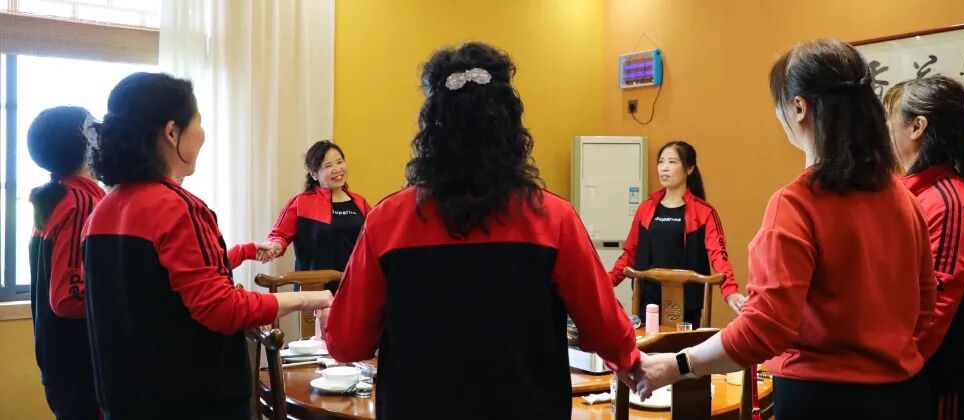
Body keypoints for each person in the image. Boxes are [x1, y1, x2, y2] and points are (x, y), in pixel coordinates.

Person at [324, 42, 639, 419]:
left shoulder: (386, 221)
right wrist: (630, 360)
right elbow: (609, 334)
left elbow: (346, 343)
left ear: (432, 130)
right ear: (510, 127)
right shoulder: (554, 219)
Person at [633, 39, 935, 420]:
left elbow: (763, 330)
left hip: (823, 401)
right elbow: (925, 310)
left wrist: (676, 364)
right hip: (905, 396)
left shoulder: (796, 204)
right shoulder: (905, 199)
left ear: (798, 107)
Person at [82, 72, 332, 419]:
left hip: (125, 398)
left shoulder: (103, 210)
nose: (202, 133)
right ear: (172, 132)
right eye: (198, 121)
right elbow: (221, 308)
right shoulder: (176, 207)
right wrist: (311, 298)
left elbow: (161, 286)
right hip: (192, 400)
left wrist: (244, 253)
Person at [885, 75, 964, 420]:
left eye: (888, 119)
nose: (882, 129)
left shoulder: (951, 205)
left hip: (944, 384)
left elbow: (931, 313)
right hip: (910, 376)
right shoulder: (904, 191)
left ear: (917, 126)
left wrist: (882, 373)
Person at [609, 140, 746, 324]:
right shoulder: (645, 209)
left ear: (689, 169)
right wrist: (605, 283)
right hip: (647, 302)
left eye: (672, 162)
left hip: (687, 306)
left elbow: (719, 255)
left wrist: (730, 292)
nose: (664, 168)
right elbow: (629, 254)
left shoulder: (704, 212)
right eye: (661, 162)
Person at [27, 106, 105, 420]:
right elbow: (68, 298)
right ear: (84, 142)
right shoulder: (80, 202)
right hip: (80, 364)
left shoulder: (60, 197)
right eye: (92, 127)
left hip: (60, 361)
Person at [260, 140, 371, 292]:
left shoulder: (360, 202)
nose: (337, 169)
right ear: (313, 174)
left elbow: (376, 237)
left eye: (340, 162)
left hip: (353, 288)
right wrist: (274, 246)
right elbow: (278, 235)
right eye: (328, 166)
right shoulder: (300, 203)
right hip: (312, 292)